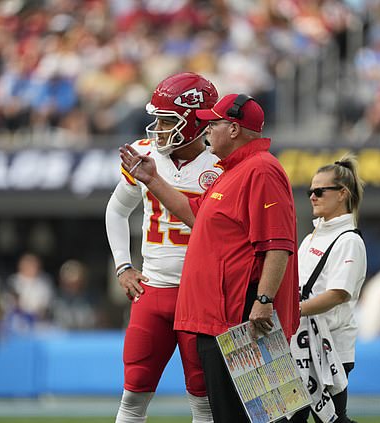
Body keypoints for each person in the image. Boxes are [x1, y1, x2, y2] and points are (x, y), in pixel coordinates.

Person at [120, 93, 299, 423]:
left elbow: (278, 243)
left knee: (266, 415)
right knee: (230, 414)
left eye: (213, 123)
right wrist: (152, 180)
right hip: (219, 317)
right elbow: (194, 214)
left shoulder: (261, 170)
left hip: (243, 316)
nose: (205, 129)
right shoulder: (234, 170)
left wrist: (263, 299)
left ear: (233, 129)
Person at [105, 72, 221, 423]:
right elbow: (116, 210)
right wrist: (124, 266)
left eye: (168, 119)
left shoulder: (221, 165)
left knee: (203, 398)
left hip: (200, 296)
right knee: (133, 392)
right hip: (152, 290)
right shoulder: (144, 153)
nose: (157, 127)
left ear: (194, 123)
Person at [291, 154, 367, 423]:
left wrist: (292, 311)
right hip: (301, 343)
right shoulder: (313, 235)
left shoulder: (349, 241)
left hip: (330, 346)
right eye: (310, 191)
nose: (312, 196)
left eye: (320, 191)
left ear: (342, 194)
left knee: (334, 420)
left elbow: (337, 294)